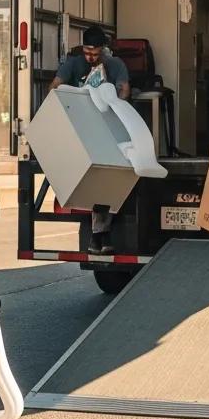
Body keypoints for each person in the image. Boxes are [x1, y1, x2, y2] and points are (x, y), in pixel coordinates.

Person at [50, 26, 131, 254]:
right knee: (96, 181)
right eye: (87, 52)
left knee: (110, 179)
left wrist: (117, 109)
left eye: (95, 54)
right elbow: (55, 86)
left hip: (107, 129)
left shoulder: (115, 65)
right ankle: (99, 235)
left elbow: (124, 90)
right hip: (82, 130)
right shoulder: (74, 63)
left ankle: (99, 235)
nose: (90, 58)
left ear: (103, 50)